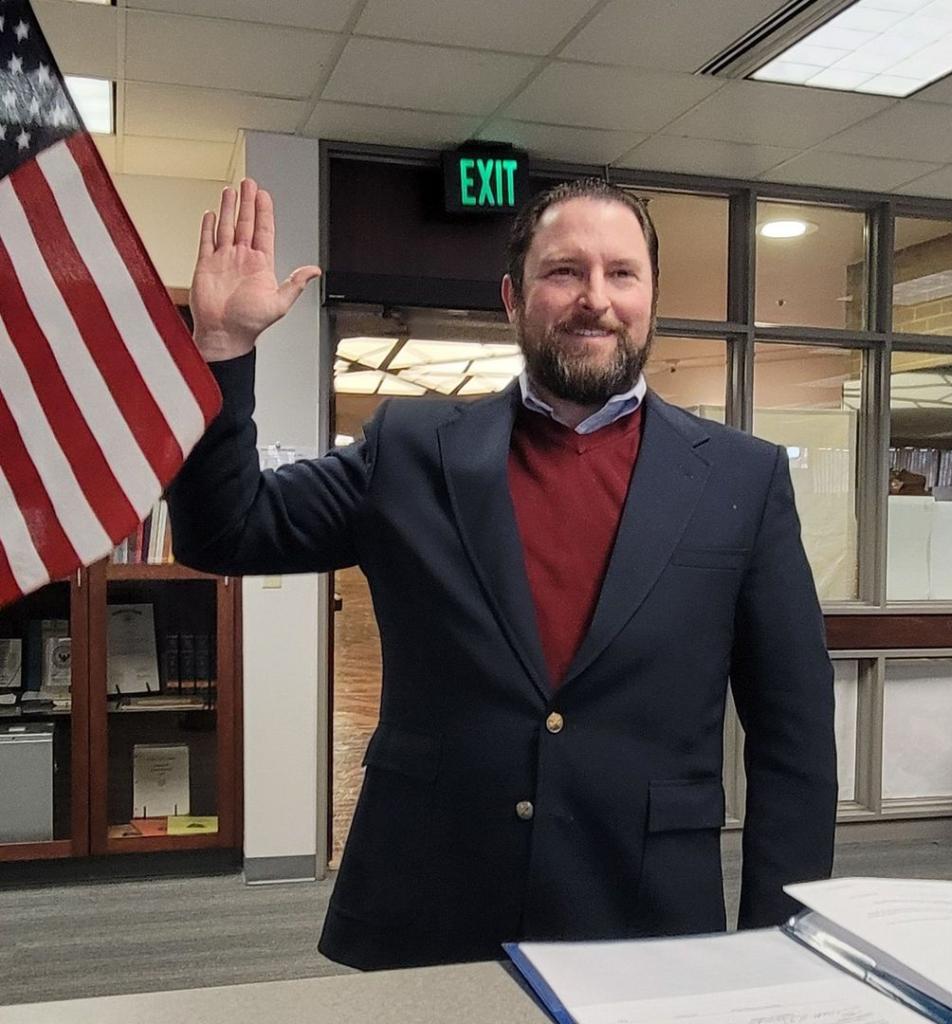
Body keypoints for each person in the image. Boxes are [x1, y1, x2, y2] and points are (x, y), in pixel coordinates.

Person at [168, 176, 837, 970]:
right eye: (565, 271)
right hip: (432, 899)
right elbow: (226, 531)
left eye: (621, 273)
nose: (596, 297)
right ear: (514, 298)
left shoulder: (740, 479)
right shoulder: (412, 450)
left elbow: (794, 739)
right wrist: (223, 350)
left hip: (644, 909)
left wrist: (782, 950)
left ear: (652, 296)